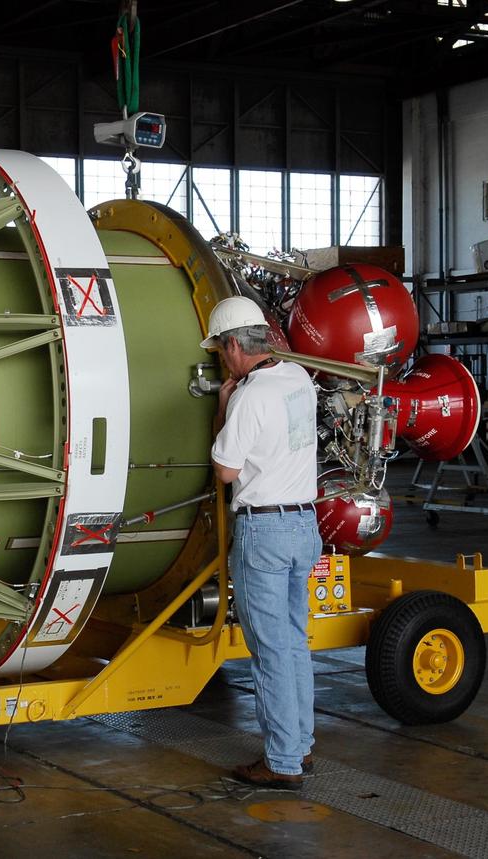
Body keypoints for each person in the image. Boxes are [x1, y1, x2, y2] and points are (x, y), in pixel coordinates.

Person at [203, 296, 321, 790]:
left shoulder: (250, 397)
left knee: (269, 649)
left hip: (265, 531)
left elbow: (227, 470)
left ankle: (282, 762)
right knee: (293, 641)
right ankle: (301, 745)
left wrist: (225, 407)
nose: (220, 360)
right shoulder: (298, 379)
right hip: (304, 525)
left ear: (235, 345)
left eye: (220, 351)